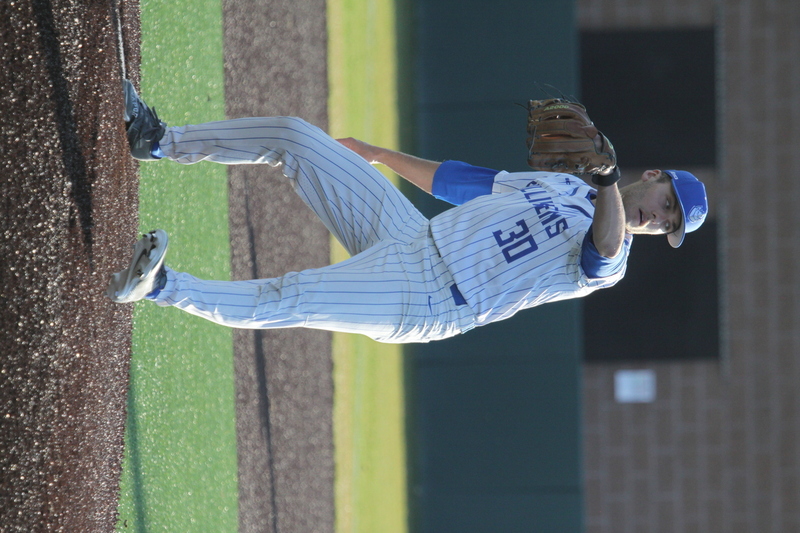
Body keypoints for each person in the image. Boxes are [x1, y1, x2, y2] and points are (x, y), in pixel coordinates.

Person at [107, 80, 708, 344]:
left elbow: (600, 246)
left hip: (427, 299)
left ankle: (160, 287)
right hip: (411, 234)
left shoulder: (615, 256)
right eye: (669, 205)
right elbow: (465, 183)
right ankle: (158, 140)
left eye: (672, 226)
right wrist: (379, 155)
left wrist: (604, 179)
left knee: (292, 297)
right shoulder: (566, 187)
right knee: (293, 137)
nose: (662, 220)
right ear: (654, 177)